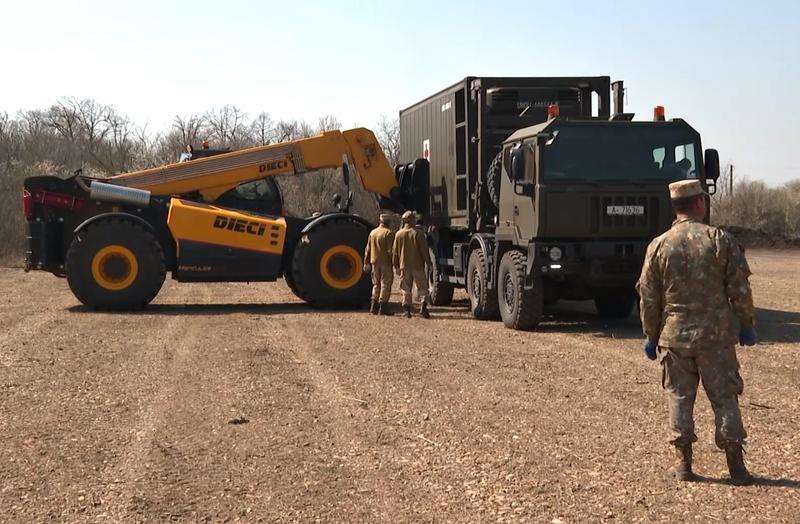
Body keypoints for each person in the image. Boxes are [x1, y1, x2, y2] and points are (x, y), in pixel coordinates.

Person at [637, 179, 757, 485]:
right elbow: (740, 289)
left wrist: (651, 336)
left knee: (679, 398)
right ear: (700, 203)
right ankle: (736, 465)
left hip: (674, 337)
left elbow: (649, 298)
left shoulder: (659, 245)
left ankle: (683, 464)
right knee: (725, 397)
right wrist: (746, 325)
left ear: (675, 206)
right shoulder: (720, 240)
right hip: (715, 337)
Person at [392, 211, 432, 318]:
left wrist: (395, 265)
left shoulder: (398, 234)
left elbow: (395, 252)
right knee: (422, 287)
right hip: (418, 265)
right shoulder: (418, 233)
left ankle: (407, 310)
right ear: (412, 220)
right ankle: (423, 305)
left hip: (404, 266)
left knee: (406, 288)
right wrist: (428, 262)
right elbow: (424, 250)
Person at [364, 213, 396, 316]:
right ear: (388, 222)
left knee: (376, 284)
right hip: (385, 262)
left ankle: (373, 305)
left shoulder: (373, 233)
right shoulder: (389, 233)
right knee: (385, 284)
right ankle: (383, 306)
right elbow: (390, 250)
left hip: (374, 262)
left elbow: (367, 249)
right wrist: (396, 263)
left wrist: (366, 262)